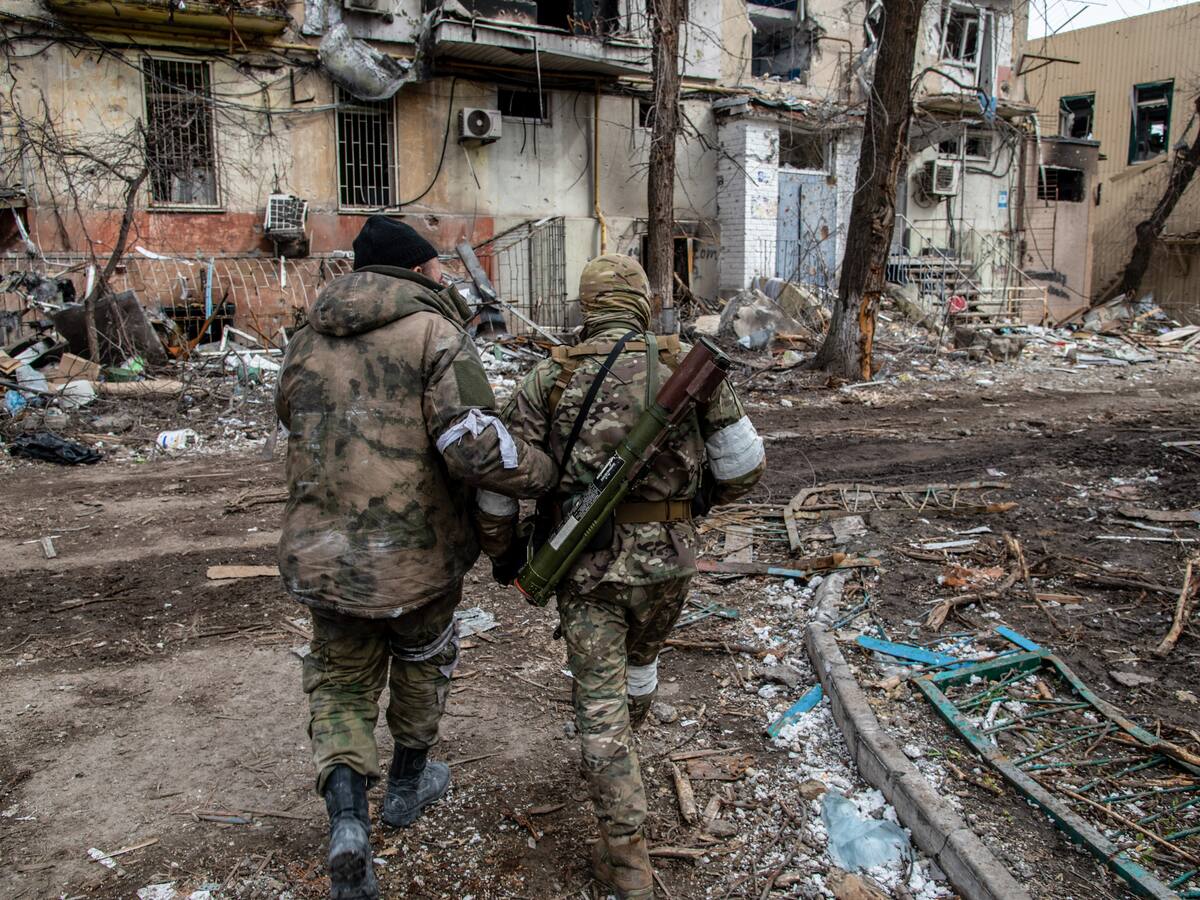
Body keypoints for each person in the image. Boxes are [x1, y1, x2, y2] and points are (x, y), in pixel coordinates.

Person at [275, 215, 555, 900]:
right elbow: (475, 448)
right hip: (417, 559)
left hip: (325, 558)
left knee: (340, 682)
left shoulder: (304, 337)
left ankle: (348, 820)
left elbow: (290, 415)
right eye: (436, 265)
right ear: (421, 270)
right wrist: (545, 473)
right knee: (426, 661)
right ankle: (407, 783)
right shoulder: (436, 333)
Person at [479, 254, 765, 898]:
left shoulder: (548, 378)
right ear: (640, 300)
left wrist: (502, 553)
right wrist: (688, 510)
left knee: (598, 704)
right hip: (671, 561)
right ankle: (621, 763)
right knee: (641, 666)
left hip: (584, 565)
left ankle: (628, 857)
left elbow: (497, 483)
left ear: (586, 306)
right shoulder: (691, 368)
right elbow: (744, 469)